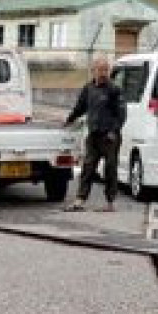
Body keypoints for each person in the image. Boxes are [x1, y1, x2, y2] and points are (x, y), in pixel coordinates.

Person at [64, 58, 126, 212]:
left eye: (106, 70)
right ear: (93, 71)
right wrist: (69, 120)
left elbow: (121, 115)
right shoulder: (88, 88)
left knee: (110, 169)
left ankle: (110, 202)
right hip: (93, 135)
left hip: (109, 137)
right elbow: (80, 107)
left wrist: (113, 131)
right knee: (88, 167)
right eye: (100, 70)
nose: (103, 73)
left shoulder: (114, 90)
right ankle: (80, 200)